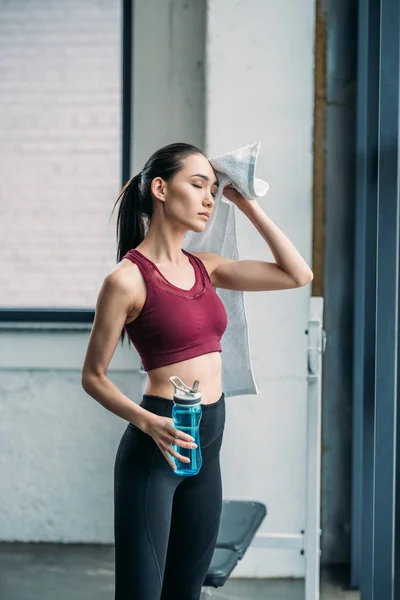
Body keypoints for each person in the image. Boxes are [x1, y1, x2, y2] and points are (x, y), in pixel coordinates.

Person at [81, 142, 313, 600]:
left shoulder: (204, 267)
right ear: (161, 188)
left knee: (186, 593)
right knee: (142, 593)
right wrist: (148, 422)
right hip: (157, 443)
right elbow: (93, 376)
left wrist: (246, 204)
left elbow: (297, 274)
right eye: (198, 184)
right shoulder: (126, 280)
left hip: (209, 439)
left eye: (214, 188)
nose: (210, 198)